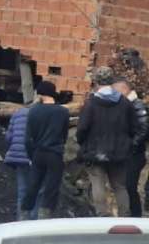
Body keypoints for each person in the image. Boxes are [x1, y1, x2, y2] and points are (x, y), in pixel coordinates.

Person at [77, 67, 138, 217]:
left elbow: (82, 128)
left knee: (98, 184)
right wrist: (127, 143)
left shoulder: (91, 103)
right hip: (119, 152)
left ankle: (102, 215)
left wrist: (83, 143)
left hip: (95, 151)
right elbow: (134, 127)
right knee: (119, 186)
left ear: (96, 82)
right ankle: (125, 215)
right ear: (112, 81)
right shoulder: (125, 103)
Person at [22, 81, 70, 219]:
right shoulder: (63, 112)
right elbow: (64, 135)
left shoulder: (33, 111)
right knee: (52, 187)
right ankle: (45, 215)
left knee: (33, 184)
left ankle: (24, 214)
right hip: (55, 153)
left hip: (38, 153)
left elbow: (27, 139)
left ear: (41, 94)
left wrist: (32, 155)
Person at [114, 77, 149, 217]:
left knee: (129, 186)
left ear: (124, 90)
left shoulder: (137, 105)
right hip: (129, 153)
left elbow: (144, 129)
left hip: (134, 154)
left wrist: (129, 145)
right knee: (125, 186)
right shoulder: (128, 105)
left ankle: (135, 216)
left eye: (116, 91)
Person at [4, 99, 35, 221]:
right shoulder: (35, 114)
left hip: (17, 157)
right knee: (35, 190)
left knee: (22, 190)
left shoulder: (16, 114)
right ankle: (33, 219)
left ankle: (21, 220)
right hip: (31, 157)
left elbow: (8, 137)